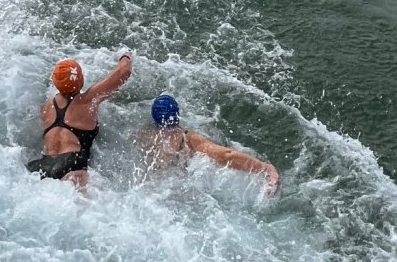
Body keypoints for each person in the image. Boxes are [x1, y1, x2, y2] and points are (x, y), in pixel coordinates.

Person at [27, 49, 133, 187]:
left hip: (42, 165)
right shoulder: (87, 101)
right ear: (81, 79)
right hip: (71, 163)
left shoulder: (46, 107)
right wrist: (126, 55)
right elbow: (123, 72)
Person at [141, 95, 280, 193]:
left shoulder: (143, 136)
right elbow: (226, 155)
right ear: (177, 115)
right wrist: (264, 167)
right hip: (178, 191)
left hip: (150, 190)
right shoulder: (186, 137)